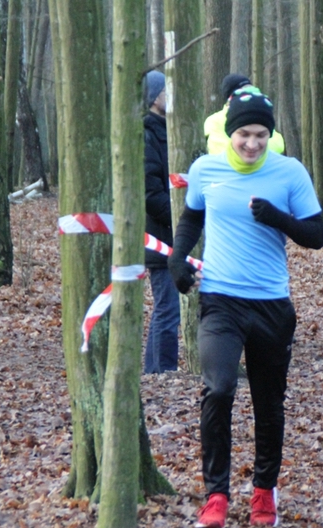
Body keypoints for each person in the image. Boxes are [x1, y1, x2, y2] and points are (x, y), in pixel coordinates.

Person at [168, 88, 323, 528]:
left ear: (270, 135)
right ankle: (216, 495)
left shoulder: (289, 172)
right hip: (221, 299)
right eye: (244, 134)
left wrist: (279, 218)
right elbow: (192, 217)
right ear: (229, 132)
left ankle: (263, 491)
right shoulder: (205, 168)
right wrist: (177, 260)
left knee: (268, 403)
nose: (252, 143)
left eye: (260, 135)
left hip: (272, 304)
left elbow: (316, 235)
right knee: (218, 389)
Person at [142, 70, 179, 373]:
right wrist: (181, 218)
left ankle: (155, 371)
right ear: (154, 98)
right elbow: (151, 194)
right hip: (160, 236)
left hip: (173, 235)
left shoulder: (171, 131)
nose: (171, 96)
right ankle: (163, 372)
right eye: (166, 91)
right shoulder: (147, 135)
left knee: (166, 308)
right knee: (168, 308)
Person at [204, 73, 286, 156]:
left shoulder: (260, 115)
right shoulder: (214, 121)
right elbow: (219, 150)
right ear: (231, 98)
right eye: (245, 94)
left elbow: (278, 145)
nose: (252, 145)